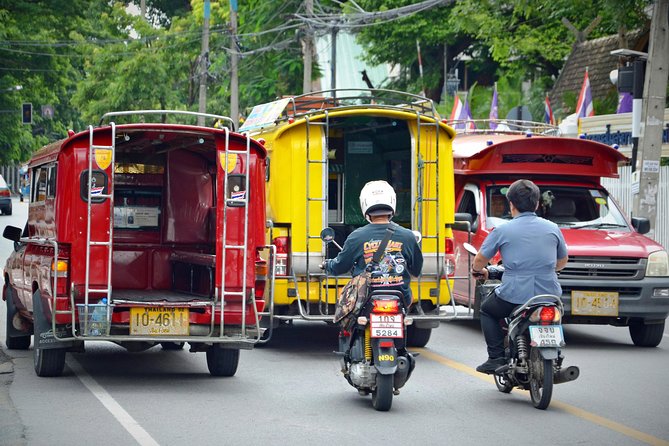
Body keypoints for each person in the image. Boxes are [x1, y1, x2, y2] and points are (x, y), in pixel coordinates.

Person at [471, 179, 568, 374]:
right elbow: (562, 261)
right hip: (549, 294)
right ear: (537, 204)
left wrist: (477, 268)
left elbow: (480, 260)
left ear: (511, 204)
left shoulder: (502, 230)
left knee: (487, 311)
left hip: (514, 294)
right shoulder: (552, 228)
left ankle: (496, 357)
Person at [321, 180, 423, 309]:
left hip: (365, 297)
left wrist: (328, 264)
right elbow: (417, 270)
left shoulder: (356, 236)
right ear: (392, 202)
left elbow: (341, 266)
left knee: (348, 317)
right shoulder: (407, 236)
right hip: (401, 297)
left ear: (364, 205)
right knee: (407, 305)